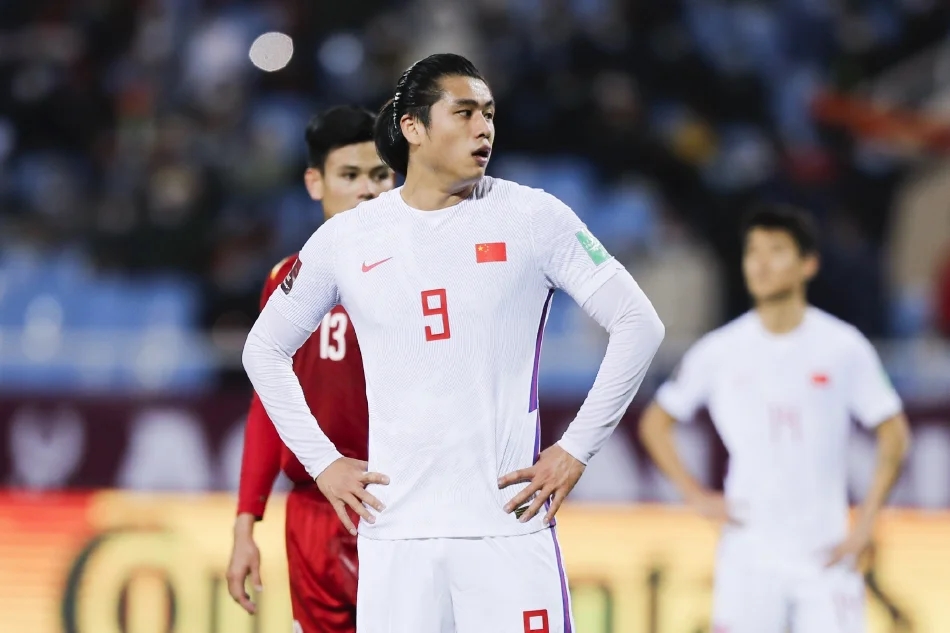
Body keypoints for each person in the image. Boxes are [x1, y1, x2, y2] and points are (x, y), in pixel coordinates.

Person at [242, 53, 665, 633]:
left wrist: (576, 448)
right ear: (412, 127)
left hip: (505, 529)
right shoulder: (347, 238)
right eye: (464, 113)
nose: (483, 128)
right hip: (395, 539)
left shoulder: (534, 217)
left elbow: (639, 323)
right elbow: (262, 350)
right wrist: (323, 464)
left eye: (488, 113)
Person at [638, 205, 911, 633]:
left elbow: (893, 433)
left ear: (808, 264)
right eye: (753, 252)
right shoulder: (720, 350)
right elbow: (655, 422)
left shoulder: (843, 347)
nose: (761, 264)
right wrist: (695, 495)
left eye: (776, 251)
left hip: (827, 552)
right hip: (749, 555)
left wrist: (867, 521)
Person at [226, 105, 395, 633]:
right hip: (314, 513)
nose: (367, 190)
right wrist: (245, 523)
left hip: (395, 506)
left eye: (380, 175)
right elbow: (268, 406)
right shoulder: (286, 282)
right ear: (315, 182)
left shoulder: (419, 279)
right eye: (350, 175)